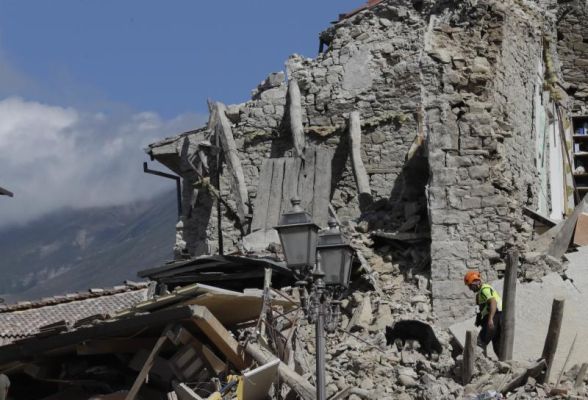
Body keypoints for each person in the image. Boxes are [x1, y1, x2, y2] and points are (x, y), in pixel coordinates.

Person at [464, 270, 503, 356]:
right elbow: (484, 307)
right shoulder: (481, 293)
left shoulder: (484, 290)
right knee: (498, 347)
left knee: (480, 343)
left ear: (475, 282)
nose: (470, 288)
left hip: (495, 317)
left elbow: (493, 302)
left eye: (470, 285)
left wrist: (490, 319)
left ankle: (481, 365)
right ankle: (504, 365)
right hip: (498, 317)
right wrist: (480, 318)